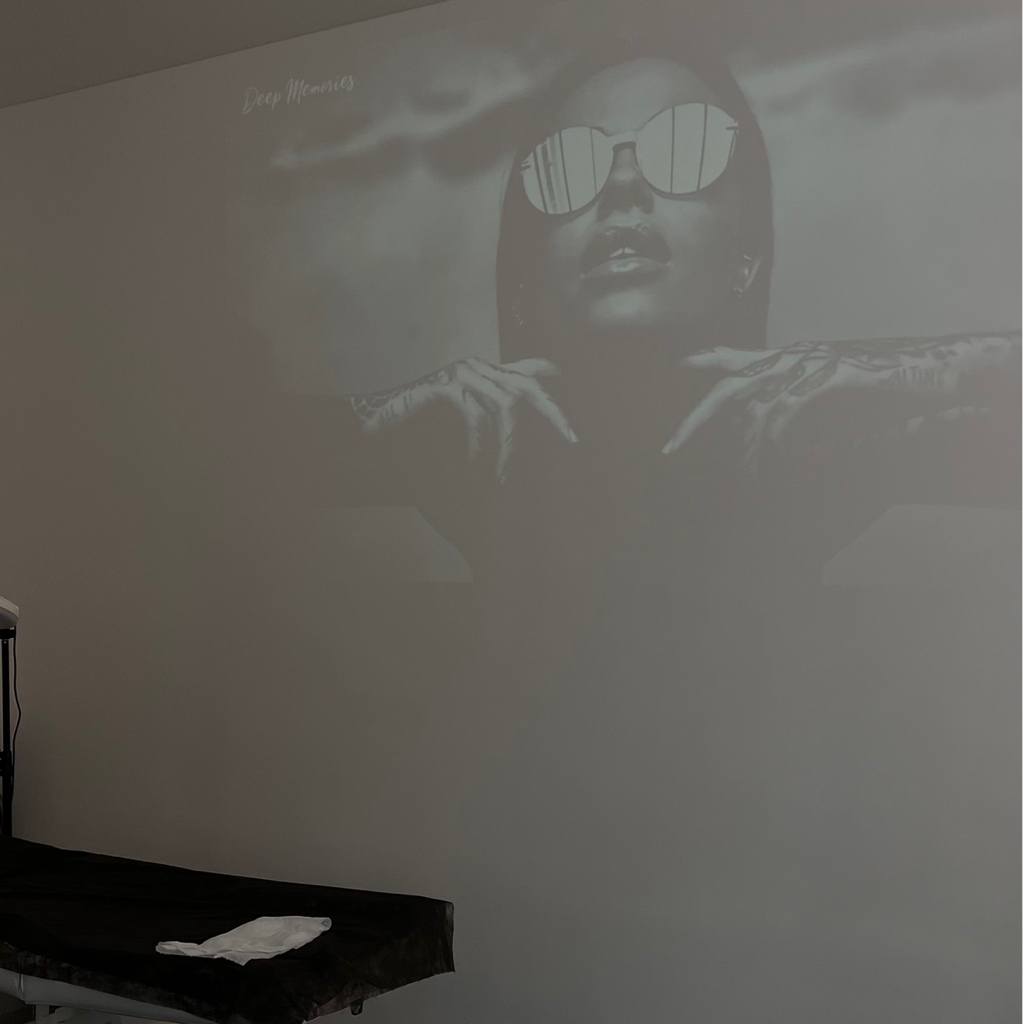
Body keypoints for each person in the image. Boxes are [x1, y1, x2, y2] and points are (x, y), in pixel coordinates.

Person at [272, 23, 1020, 1018]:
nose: (622, 191)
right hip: (516, 927)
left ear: (747, 254)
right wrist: (376, 423)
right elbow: (177, 451)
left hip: (774, 937)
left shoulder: (811, 427)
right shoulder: (479, 438)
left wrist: (899, 377)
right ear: (528, 265)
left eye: (684, 150)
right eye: (571, 168)